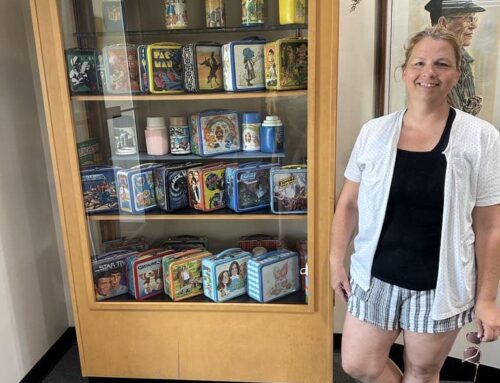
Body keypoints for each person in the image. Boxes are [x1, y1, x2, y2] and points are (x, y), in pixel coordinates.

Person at [330, 27, 500, 383]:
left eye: (442, 64)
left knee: (422, 373)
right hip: (374, 278)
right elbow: (348, 203)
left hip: (440, 285)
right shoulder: (374, 132)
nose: (429, 72)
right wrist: (335, 260)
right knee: (358, 365)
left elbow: (490, 226)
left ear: (456, 73)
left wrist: (486, 300)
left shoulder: (481, 138)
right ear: (405, 70)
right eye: (419, 62)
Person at [425, 0, 485, 115]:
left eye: (474, 19)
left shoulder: (461, 59)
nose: (474, 26)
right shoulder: (436, 64)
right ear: (443, 23)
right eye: (467, 19)